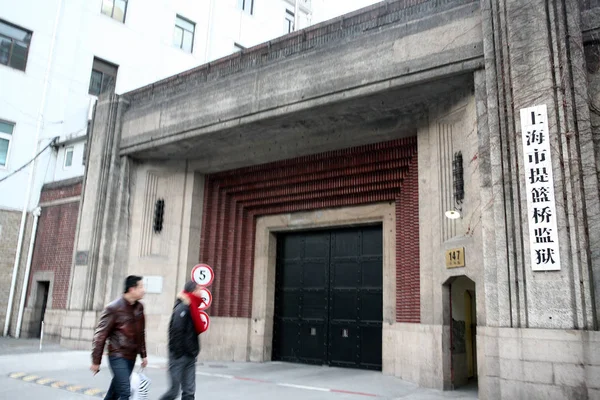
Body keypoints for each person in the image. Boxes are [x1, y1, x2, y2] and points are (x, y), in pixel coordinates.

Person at [91, 275, 148, 400]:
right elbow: (100, 336)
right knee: (125, 391)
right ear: (132, 289)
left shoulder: (140, 307)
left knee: (114, 393)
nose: (144, 290)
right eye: (141, 287)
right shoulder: (113, 308)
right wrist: (96, 361)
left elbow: (141, 332)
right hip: (117, 356)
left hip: (131, 357)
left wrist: (143, 354)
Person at [160, 281, 206, 400]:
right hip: (179, 356)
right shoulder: (183, 307)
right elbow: (176, 331)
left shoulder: (193, 307)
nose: (202, 292)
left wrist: (193, 351)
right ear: (193, 291)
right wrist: (178, 353)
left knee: (189, 392)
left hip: (190, 355)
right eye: (199, 289)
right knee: (173, 392)